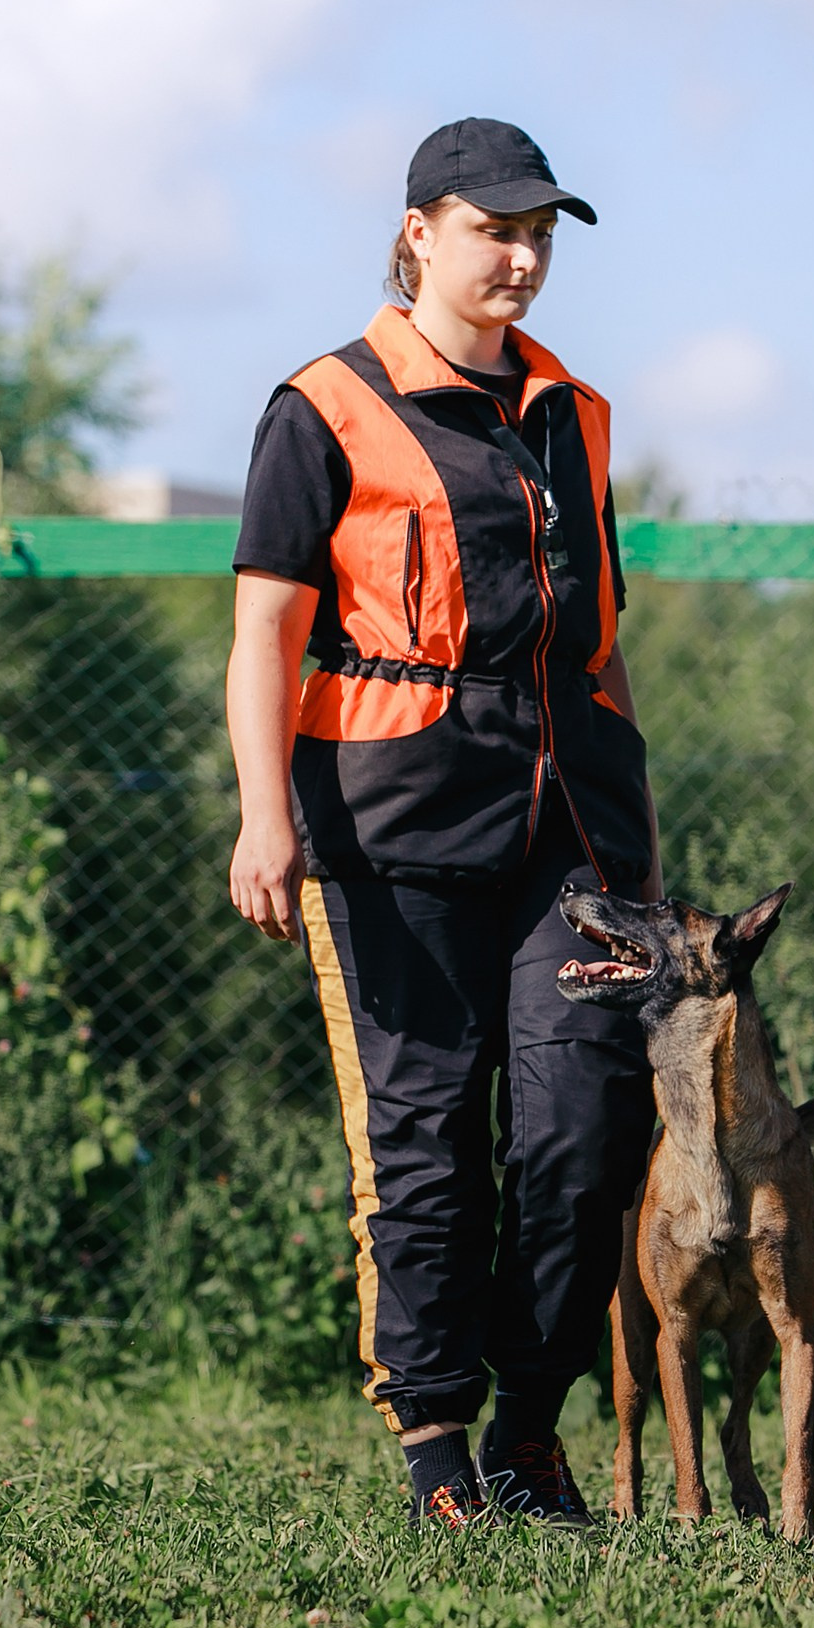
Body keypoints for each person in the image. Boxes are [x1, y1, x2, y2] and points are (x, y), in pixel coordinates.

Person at [225, 117, 660, 1529]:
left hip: (572, 836)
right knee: (422, 1146)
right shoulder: (325, 408)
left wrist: (635, 818)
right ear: (420, 231)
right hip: (384, 825)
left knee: (585, 1128)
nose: (524, 259)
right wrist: (263, 818)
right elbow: (263, 639)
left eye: (541, 234)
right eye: (496, 230)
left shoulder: (573, 415)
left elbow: (601, 641)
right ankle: (437, 1457)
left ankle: (532, 1439)